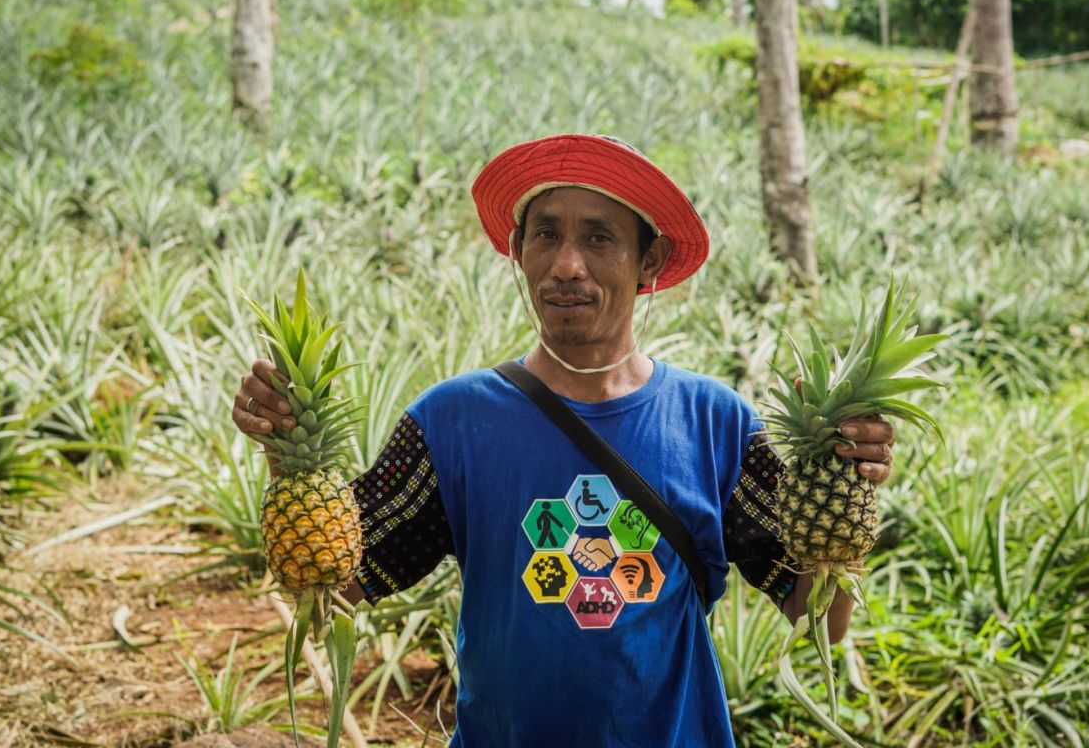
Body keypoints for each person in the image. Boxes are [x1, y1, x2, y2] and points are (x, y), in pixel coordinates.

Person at [232, 134, 895, 746]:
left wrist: (845, 491)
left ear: (650, 260)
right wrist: (288, 462)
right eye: (546, 234)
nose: (566, 265)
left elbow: (819, 619)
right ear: (518, 249)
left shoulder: (716, 423)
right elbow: (333, 589)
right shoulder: (451, 422)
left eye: (600, 238)